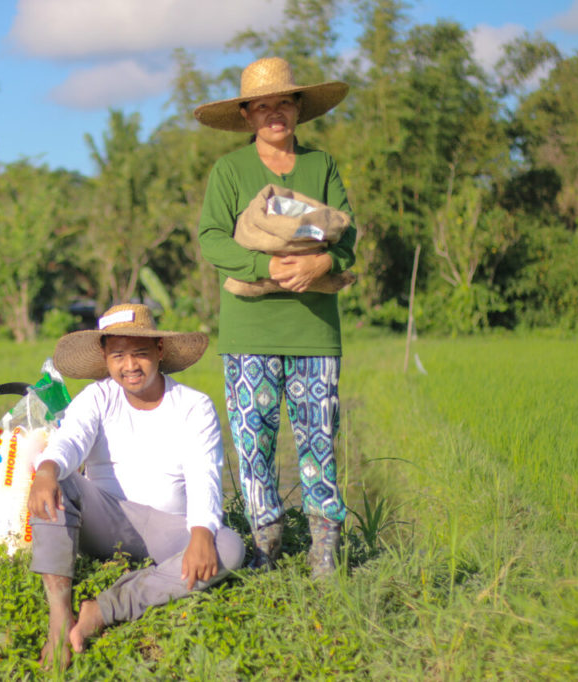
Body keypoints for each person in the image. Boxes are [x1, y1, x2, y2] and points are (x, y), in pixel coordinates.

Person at [193, 56, 357, 577]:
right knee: (253, 442)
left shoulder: (321, 165)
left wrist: (321, 262)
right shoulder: (231, 171)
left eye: (282, 103)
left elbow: (347, 235)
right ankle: (265, 544)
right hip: (249, 331)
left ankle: (324, 549)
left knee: (317, 441)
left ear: (298, 109)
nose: (273, 114)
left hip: (314, 330)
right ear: (246, 116)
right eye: (261, 107)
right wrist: (265, 263)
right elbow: (212, 237)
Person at [28, 303, 244, 668]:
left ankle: (106, 608)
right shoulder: (98, 397)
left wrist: (203, 532)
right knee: (59, 479)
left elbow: (204, 473)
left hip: (168, 528)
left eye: (140, 354)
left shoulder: (194, 407)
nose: (130, 366)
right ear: (105, 357)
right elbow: (70, 440)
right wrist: (46, 469)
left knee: (230, 547)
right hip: (107, 520)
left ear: (160, 352)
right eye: (118, 355)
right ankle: (59, 616)